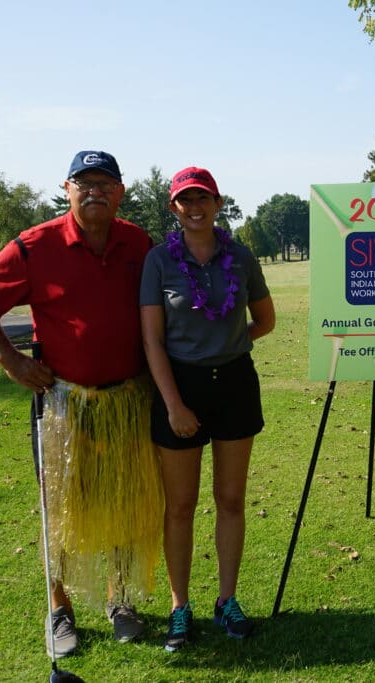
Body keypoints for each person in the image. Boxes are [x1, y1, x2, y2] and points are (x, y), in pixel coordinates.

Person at [0, 151, 164, 657]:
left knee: (125, 501)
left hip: (127, 400)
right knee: (62, 511)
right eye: (83, 183)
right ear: (66, 189)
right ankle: (60, 610)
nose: (95, 192)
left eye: (105, 183)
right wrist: (11, 361)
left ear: (120, 193)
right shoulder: (35, 246)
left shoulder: (138, 243)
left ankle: (120, 601)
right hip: (62, 403)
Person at [139, 167, 275, 652]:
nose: (194, 207)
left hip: (235, 384)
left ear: (218, 203)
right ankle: (180, 606)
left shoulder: (241, 256)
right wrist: (174, 403)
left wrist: (229, 344)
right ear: (173, 208)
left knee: (231, 500)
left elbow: (265, 320)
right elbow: (152, 341)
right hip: (180, 387)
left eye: (203, 198)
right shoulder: (159, 260)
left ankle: (227, 600)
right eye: (185, 200)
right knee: (180, 506)